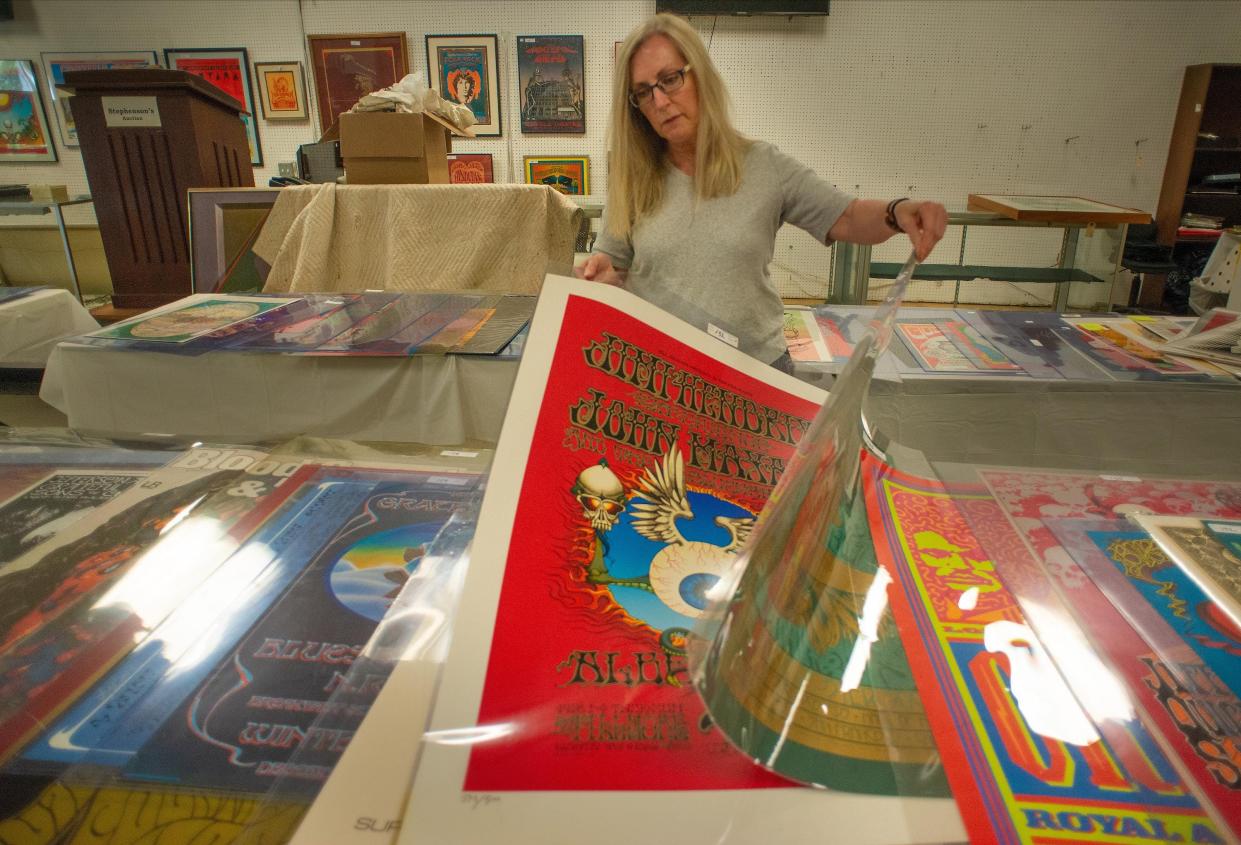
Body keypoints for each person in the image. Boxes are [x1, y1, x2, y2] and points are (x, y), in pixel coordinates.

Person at [575, 13, 948, 372]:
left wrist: (898, 211)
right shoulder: (633, 180)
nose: (659, 102)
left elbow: (847, 216)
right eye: (643, 92)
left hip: (754, 375)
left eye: (670, 79)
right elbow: (612, 263)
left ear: (700, 75)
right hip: (663, 379)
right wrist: (601, 275)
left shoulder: (763, 165)